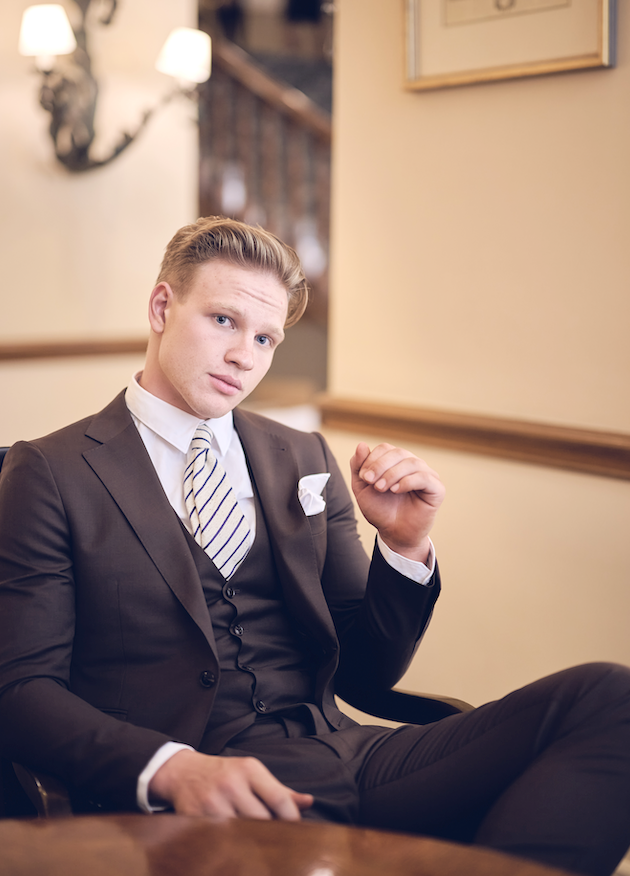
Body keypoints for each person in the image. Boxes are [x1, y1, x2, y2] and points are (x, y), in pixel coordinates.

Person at [0, 216, 629, 876]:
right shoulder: (52, 471)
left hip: (349, 756)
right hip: (195, 794)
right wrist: (173, 770)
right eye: (223, 321)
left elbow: (367, 672)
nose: (246, 355)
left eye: (266, 337)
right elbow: (20, 691)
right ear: (163, 307)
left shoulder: (299, 455)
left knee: (609, 698)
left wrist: (404, 546)